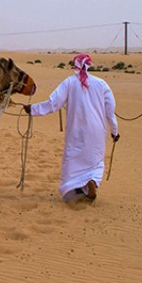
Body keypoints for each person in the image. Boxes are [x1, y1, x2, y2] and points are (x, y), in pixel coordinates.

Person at [22, 54, 120, 204]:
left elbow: (53, 103)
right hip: (97, 131)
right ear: (89, 65)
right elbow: (110, 111)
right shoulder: (102, 84)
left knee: (73, 162)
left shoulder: (69, 83)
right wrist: (115, 132)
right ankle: (91, 181)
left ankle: (76, 192)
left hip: (76, 130)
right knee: (95, 162)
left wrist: (33, 109)